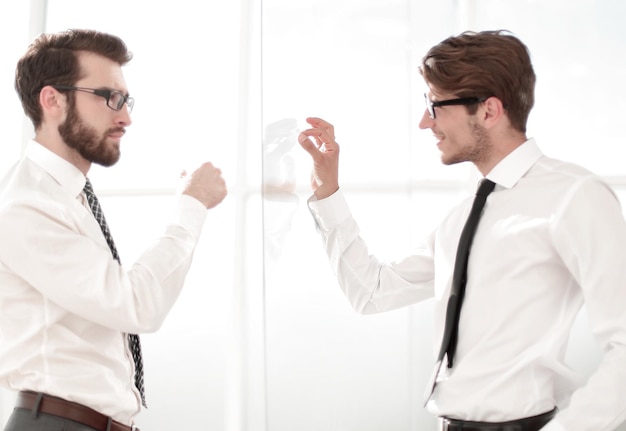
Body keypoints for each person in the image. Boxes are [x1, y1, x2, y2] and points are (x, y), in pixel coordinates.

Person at [298, 30, 626, 431]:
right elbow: (373, 293)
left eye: (434, 105)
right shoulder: (465, 214)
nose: (424, 122)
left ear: (489, 111)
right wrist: (326, 188)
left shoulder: (575, 195)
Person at [0, 29, 227, 431]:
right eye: (109, 97)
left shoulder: (67, 196)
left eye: (125, 100)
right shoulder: (26, 205)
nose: (125, 116)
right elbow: (135, 305)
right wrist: (191, 205)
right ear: (52, 100)